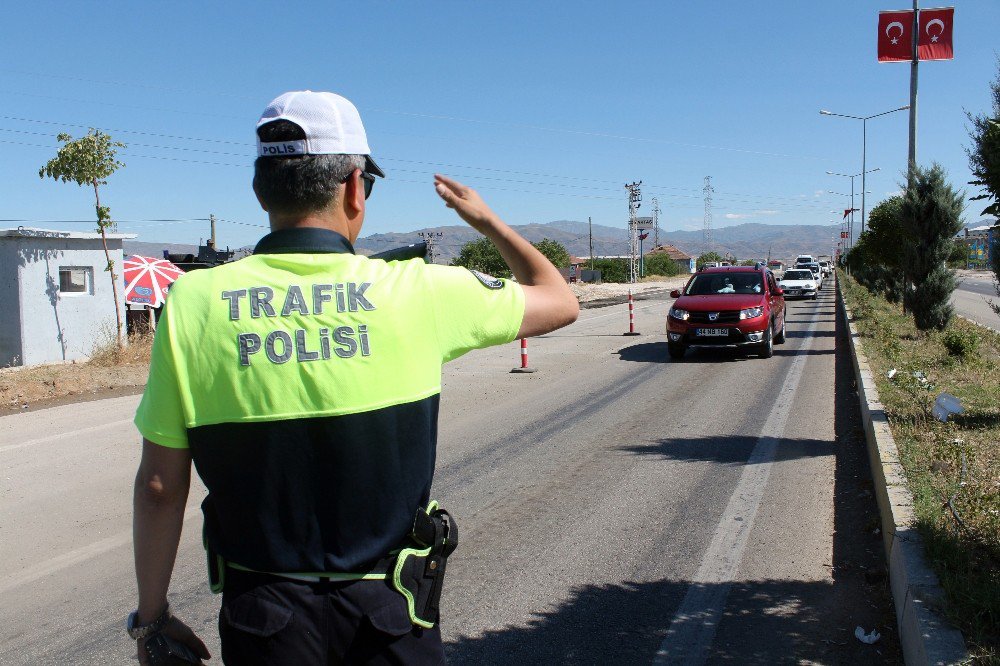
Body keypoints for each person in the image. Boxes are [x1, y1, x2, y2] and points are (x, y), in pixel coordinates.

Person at [128, 90, 579, 665]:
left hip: (261, 621)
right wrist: (485, 219)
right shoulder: (418, 290)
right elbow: (559, 299)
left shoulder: (192, 302)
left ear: (260, 189)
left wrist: (153, 620)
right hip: (390, 619)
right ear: (353, 187)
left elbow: (160, 489)